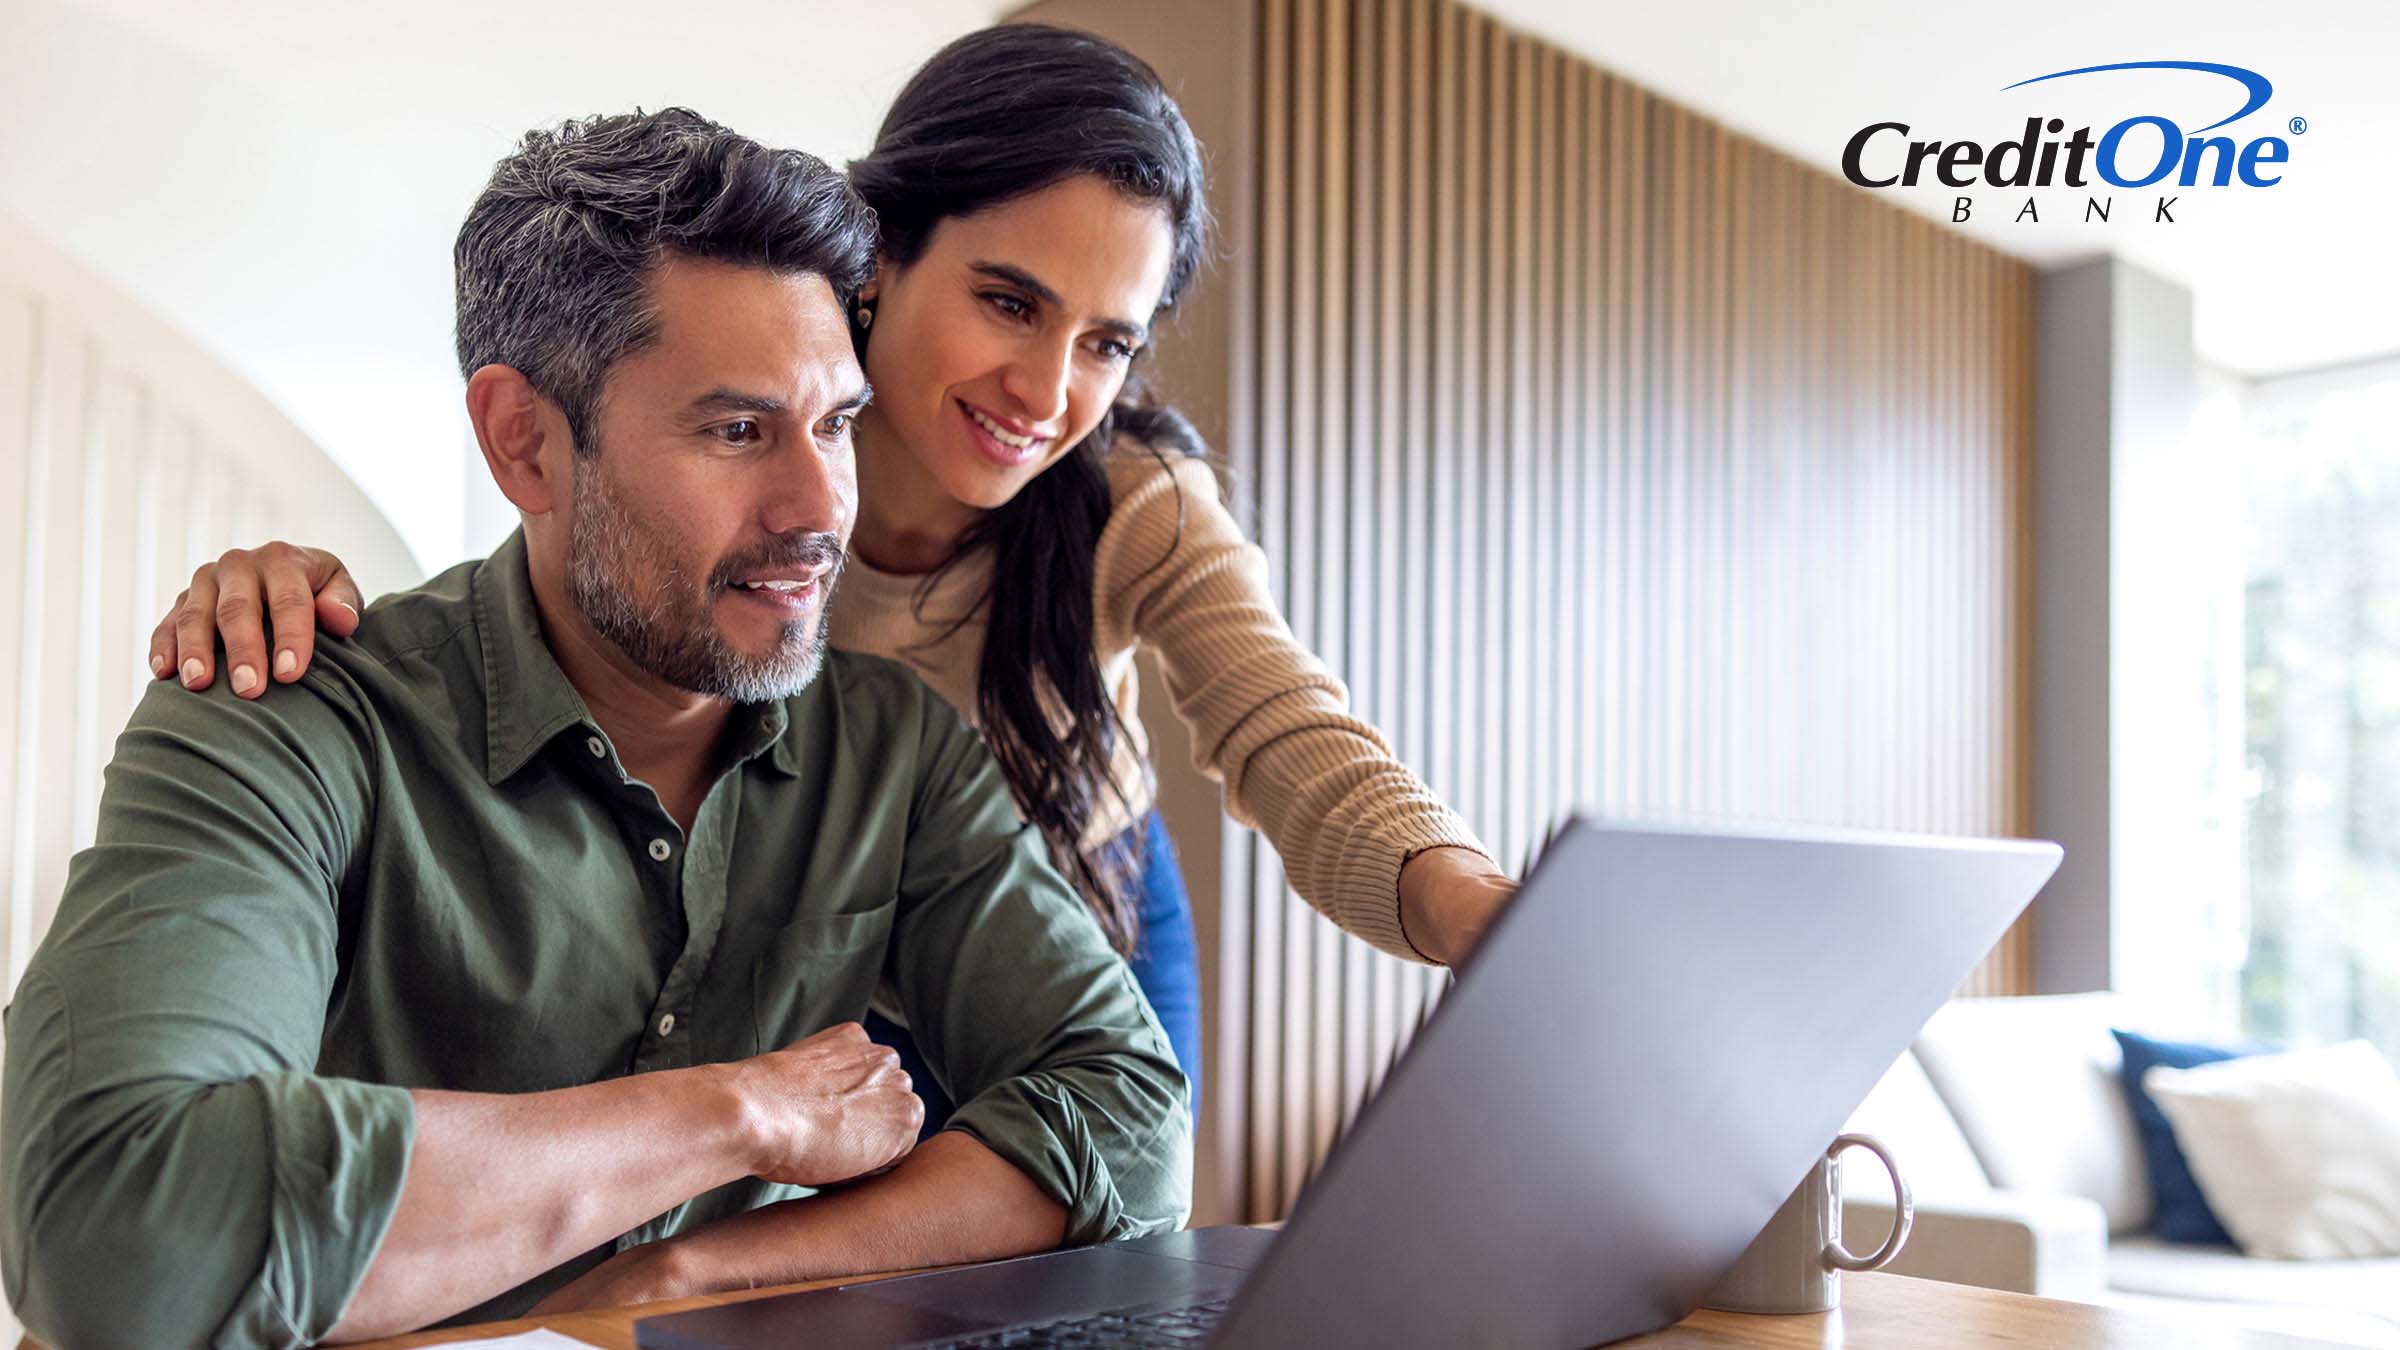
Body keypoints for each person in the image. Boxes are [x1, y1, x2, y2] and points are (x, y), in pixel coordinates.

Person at [147, 24, 1518, 1127]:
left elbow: (1291, 731)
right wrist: (290, 583)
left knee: (1101, 1259)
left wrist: (1488, 918)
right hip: (819, 920)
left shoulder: (1129, 503)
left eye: (1108, 341)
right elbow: (573, 571)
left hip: (1075, 887)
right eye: (1009, 301)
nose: (1047, 392)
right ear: (881, 257)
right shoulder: (752, 475)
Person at [1, 109, 1188, 1348]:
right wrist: (734, 1115)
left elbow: (1131, 1119)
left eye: (834, 422)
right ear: (524, 442)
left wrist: (680, 1284)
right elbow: (111, 1221)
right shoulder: (282, 713)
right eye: (736, 430)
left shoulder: (893, 754)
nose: (819, 505)